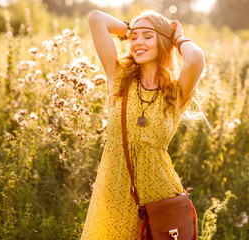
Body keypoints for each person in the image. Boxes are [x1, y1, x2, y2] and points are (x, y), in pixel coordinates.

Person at [81, 9, 205, 239]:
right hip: (115, 192)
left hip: (160, 197)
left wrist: (176, 37)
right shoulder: (117, 77)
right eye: (134, 37)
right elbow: (96, 18)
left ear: (163, 42)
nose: (138, 42)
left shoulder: (176, 92)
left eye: (148, 36)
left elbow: (196, 57)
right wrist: (134, 29)